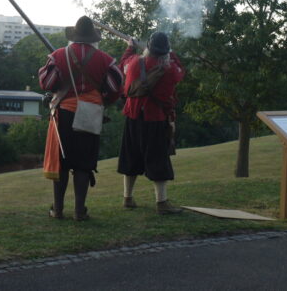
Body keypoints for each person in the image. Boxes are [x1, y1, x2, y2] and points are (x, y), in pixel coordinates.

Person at [38, 16, 123, 221]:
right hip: (91, 113)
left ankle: (58, 210)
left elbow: (47, 83)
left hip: (64, 113)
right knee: (83, 165)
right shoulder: (105, 59)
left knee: (63, 163)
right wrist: (103, 100)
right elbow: (115, 87)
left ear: (74, 36)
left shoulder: (58, 55)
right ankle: (79, 211)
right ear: (93, 38)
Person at [118, 32, 185, 215]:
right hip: (154, 118)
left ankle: (127, 198)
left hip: (133, 117)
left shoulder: (133, 63)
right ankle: (161, 202)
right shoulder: (170, 69)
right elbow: (181, 71)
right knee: (158, 160)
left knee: (131, 158)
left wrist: (131, 46)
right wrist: (172, 53)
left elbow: (123, 63)